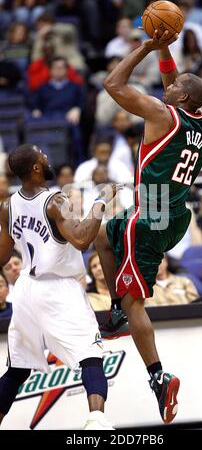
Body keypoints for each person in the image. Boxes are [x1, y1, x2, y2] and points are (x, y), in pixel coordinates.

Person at [94, 29, 202, 424]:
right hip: (174, 212)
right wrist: (164, 46)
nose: (169, 82)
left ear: (181, 98)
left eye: (174, 84)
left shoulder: (161, 114)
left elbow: (113, 83)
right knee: (101, 235)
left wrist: (143, 46)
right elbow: (175, 80)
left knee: (135, 298)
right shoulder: (201, 120)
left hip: (152, 214)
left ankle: (158, 378)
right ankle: (115, 312)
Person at [0, 143, 121, 430]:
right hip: (58, 288)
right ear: (35, 168)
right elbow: (82, 240)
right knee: (90, 355)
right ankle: (97, 421)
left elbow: (3, 256)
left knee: (17, 369)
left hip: (26, 289)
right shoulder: (56, 201)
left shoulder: (7, 205)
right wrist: (100, 202)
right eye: (41, 154)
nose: (45, 155)